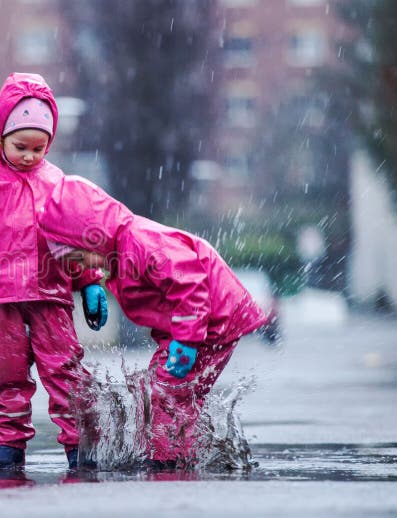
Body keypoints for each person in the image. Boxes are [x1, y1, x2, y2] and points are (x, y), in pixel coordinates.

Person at [0, 73, 108, 472]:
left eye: (39, 147)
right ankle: (8, 446)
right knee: (3, 373)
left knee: (66, 371)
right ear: (0, 136)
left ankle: (80, 446)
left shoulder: (58, 183)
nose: (30, 155)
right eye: (21, 146)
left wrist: (90, 283)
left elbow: (77, 239)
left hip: (50, 295)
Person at [39, 175, 268, 469]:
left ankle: (168, 459)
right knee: (171, 391)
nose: (85, 268)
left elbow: (188, 284)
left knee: (166, 391)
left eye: (80, 258)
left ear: (90, 235)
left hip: (211, 322)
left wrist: (186, 342)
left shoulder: (139, 241)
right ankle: (180, 450)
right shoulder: (121, 254)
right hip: (198, 325)